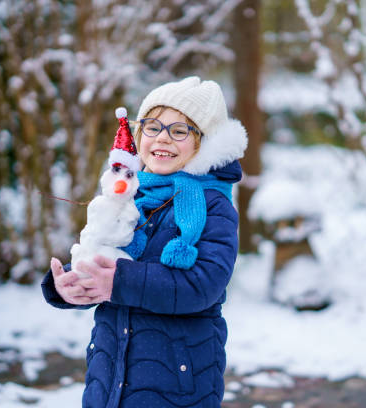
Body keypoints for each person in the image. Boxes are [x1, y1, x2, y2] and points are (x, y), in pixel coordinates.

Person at [41, 76, 248, 408]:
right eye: (153, 126)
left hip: (177, 386)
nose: (162, 139)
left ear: (203, 143)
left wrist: (118, 281)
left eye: (179, 131)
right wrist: (70, 284)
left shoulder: (213, 206)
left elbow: (203, 286)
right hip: (109, 380)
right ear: (139, 134)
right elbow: (105, 255)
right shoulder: (129, 195)